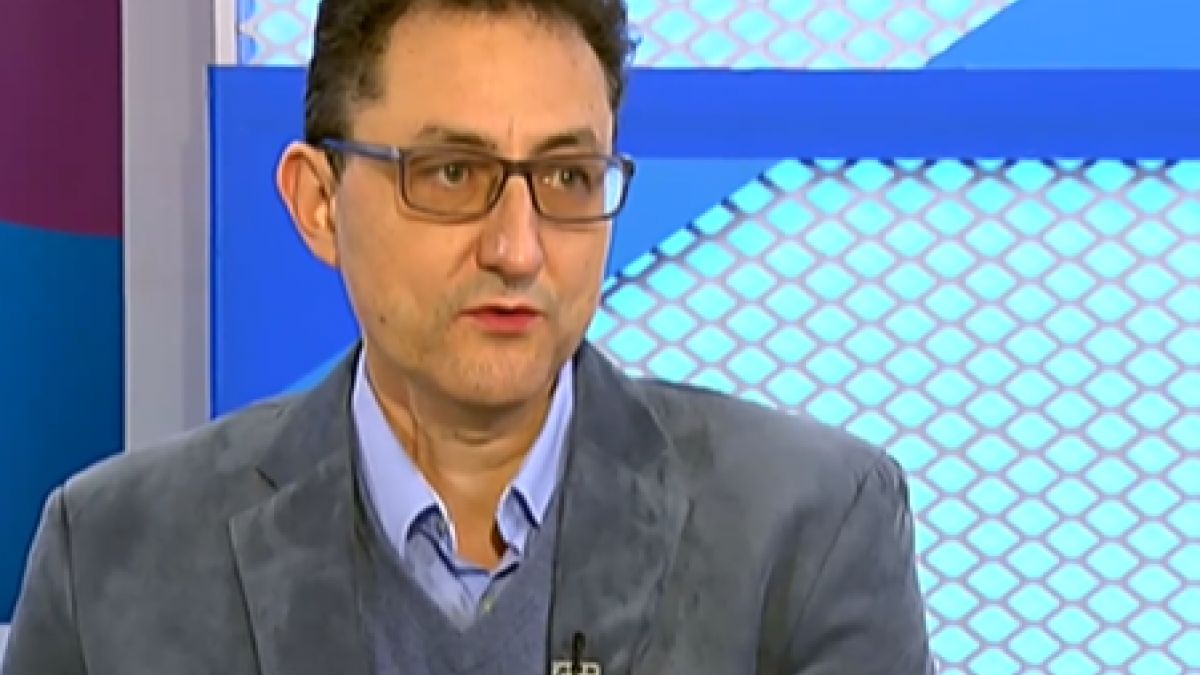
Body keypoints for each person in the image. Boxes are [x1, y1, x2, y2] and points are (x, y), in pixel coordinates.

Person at [2, 0, 933, 673]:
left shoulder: (808, 530)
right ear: (318, 202)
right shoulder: (115, 556)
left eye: (567, 177)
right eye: (452, 173)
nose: (517, 248)